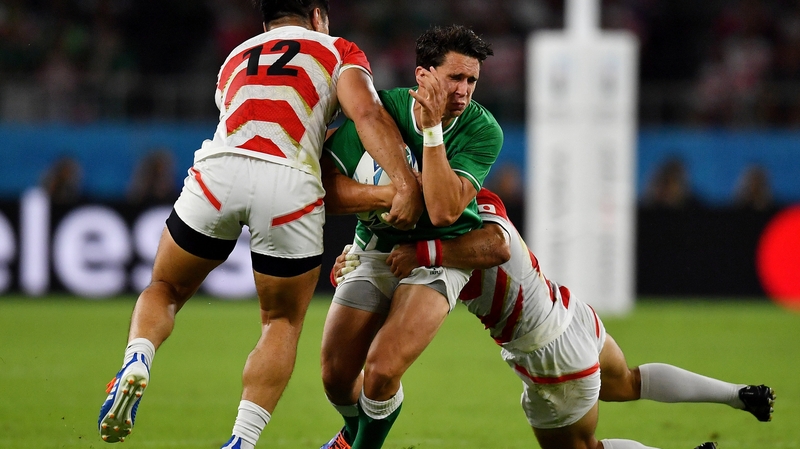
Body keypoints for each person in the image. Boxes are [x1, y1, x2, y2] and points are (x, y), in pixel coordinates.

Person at [96, 1, 424, 448]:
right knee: (280, 321)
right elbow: (366, 113)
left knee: (165, 287)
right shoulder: (337, 49)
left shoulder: (236, 57)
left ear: (265, 20)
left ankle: (137, 358)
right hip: (289, 182)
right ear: (317, 15)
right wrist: (403, 182)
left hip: (218, 173)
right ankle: (241, 441)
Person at [329, 188, 776, 449]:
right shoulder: (481, 199)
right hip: (572, 314)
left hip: (549, 355)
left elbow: (428, 277)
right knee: (627, 382)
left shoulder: (446, 245)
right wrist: (357, 259)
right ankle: (738, 395)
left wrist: (386, 262)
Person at [318, 24, 501, 449]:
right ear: (423, 75)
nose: (464, 91)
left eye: (472, 80)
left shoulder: (481, 129)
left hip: (441, 255)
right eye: (455, 77)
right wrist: (386, 194)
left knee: (381, 370)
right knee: (336, 376)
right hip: (375, 248)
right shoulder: (380, 113)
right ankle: (352, 435)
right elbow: (324, 188)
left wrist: (433, 131)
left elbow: (443, 210)